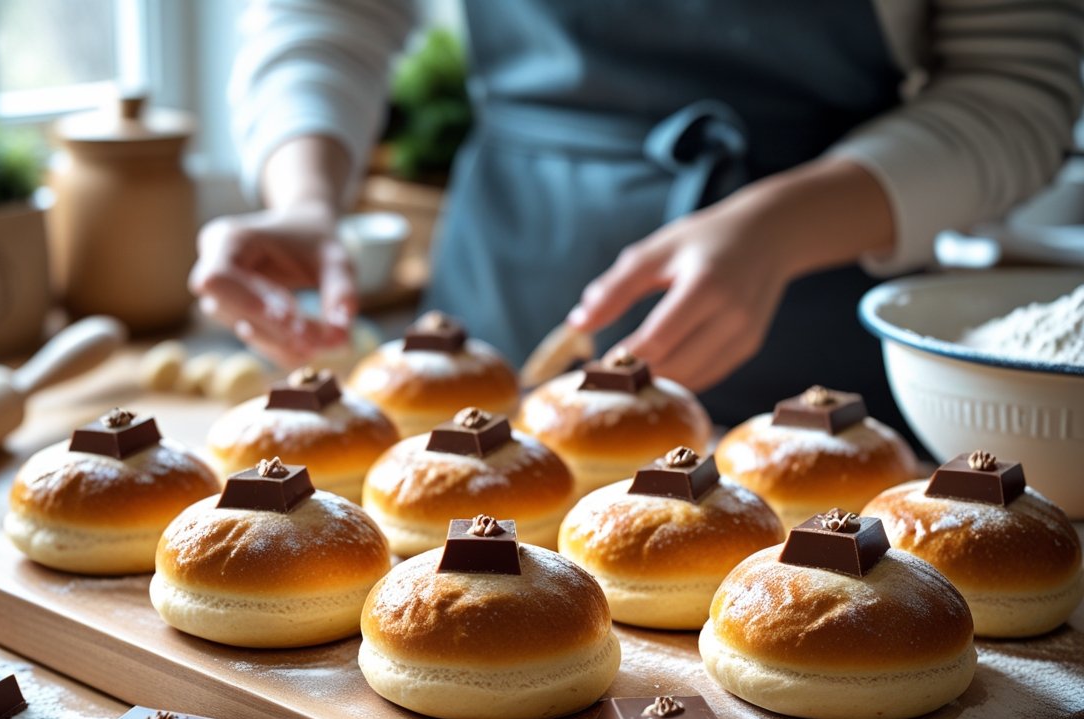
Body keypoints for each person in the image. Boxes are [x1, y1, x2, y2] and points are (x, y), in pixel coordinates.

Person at [191, 0, 1083, 430]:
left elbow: (1020, 85)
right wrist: (305, 199)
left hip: (820, 307)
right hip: (503, 284)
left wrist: (774, 230)